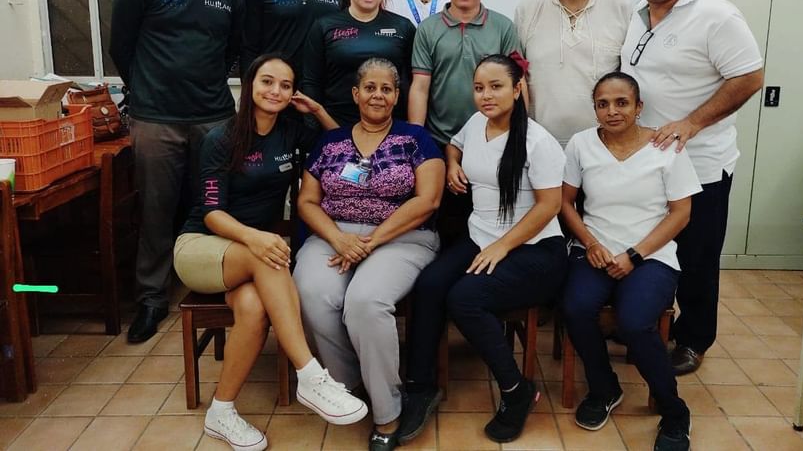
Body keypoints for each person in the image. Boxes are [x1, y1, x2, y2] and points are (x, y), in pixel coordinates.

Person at [173, 54, 368, 451]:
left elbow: (341, 149)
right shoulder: (221, 139)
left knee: (254, 309)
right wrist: (254, 238)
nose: (275, 91)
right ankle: (311, 375)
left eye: (284, 84)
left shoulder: (291, 130)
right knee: (273, 253)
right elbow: (212, 213)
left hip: (252, 255)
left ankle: (221, 412)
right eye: (267, 82)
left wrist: (317, 110)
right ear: (249, 85)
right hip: (203, 247)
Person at [399, 54, 567, 445]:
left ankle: (516, 391)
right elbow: (455, 146)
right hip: (481, 237)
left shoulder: (538, 142)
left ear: (517, 88)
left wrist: (503, 247)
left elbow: (549, 206)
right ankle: (422, 386)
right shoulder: (477, 123)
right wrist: (453, 163)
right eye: (479, 88)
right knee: (429, 285)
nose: (486, 95)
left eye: (496, 86)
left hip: (535, 250)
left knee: (465, 299)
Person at [621, 0, 764, 375]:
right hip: (649, 164)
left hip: (700, 165)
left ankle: (693, 339)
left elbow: (749, 77)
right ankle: (650, 323)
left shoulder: (717, 16)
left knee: (697, 256)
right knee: (657, 251)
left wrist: (692, 123)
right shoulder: (639, 16)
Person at [109, 0, 245, 343]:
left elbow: (231, 54)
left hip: (213, 119)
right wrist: (147, 88)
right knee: (156, 210)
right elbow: (121, 47)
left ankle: (207, 291)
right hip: (156, 119)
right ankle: (151, 300)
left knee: (210, 207)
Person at [294, 58, 445, 451]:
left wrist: (370, 242)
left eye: (387, 88)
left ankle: (388, 410)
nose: (378, 94)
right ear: (356, 94)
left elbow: (427, 201)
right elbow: (307, 201)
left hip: (402, 238)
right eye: (371, 87)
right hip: (334, 235)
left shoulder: (416, 139)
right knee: (311, 291)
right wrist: (340, 239)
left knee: (364, 301)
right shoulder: (330, 143)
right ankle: (352, 385)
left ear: (397, 96)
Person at [561, 71, 701, 451]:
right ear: (595, 109)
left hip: (651, 255)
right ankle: (605, 388)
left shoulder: (666, 146)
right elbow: (564, 201)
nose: (612, 111)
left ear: (639, 107)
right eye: (603, 104)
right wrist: (589, 242)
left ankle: (674, 412)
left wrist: (635, 254)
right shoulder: (581, 144)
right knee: (575, 308)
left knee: (636, 322)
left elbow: (680, 214)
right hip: (595, 250)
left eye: (622, 102)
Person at [409, 0, 522, 245]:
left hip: (492, 142)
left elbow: (518, 85)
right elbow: (420, 87)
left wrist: (520, 135)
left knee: (492, 223)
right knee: (446, 226)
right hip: (440, 141)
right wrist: (416, 142)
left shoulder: (503, 27)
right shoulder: (428, 29)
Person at [514, 0, 632, 147]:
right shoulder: (527, 9)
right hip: (542, 145)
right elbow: (518, 77)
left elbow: (630, 75)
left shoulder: (619, 6)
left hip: (605, 145)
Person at [302, 0, 415, 127]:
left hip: (390, 129)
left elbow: (411, 83)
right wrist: (314, 127)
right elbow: (311, 82)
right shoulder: (324, 26)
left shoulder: (403, 27)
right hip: (334, 126)